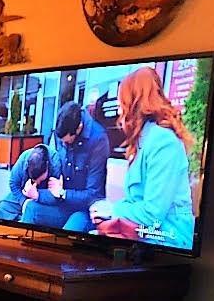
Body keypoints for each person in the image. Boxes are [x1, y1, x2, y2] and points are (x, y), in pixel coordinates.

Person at [89, 67, 196, 250]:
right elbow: (135, 201)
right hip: (146, 235)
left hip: (170, 239)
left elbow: (153, 214)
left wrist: (112, 211)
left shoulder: (163, 141)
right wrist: (106, 208)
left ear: (132, 102)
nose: (119, 109)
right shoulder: (144, 140)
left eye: (122, 102)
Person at [19, 101, 109, 232]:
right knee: (31, 209)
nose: (64, 145)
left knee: (65, 236)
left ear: (79, 128)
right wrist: (37, 192)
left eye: (67, 142)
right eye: (61, 142)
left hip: (84, 210)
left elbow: (93, 195)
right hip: (61, 204)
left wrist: (63, 193)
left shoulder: (98, 139)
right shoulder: (61, 132)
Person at [0, 144, 51, 221]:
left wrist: (38, 195)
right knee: (3, 206)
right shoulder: (22, 162)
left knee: (33, 211)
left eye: (40, 180)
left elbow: (55, 197)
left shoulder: (55, 164)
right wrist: (24, 202)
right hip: (24, 194)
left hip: (43, 198)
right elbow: (13, 184)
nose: (37, 183)